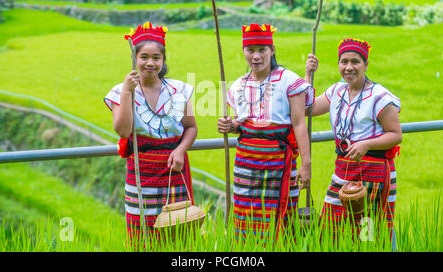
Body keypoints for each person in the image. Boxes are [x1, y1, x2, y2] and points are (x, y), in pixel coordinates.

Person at [217, 24, 314, 240]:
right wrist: (229, 126)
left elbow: (299, 124)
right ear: (243, 51)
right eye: (251, 50)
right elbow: (242, 124)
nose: (256, 56)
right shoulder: (238, 86)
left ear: (272, 50)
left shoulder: (290, 81)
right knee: (245, 216)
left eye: (262, 49)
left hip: (279, 161)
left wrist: (306, 165)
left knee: (281, 219)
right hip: (246, 163)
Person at [104, 22, 198, 245]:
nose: (150, 63)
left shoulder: (178, 90)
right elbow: (123, 130)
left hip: (174, 169)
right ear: (134, 58)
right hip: (141, 172)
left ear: (163, 60)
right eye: (144, 57)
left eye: (156, 57)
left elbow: (191, 127)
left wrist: (180, 150)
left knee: (177, 233)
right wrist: (128, 91)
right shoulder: (120, 91)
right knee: (142, 235)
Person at [305, 38, 402, 243]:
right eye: (344, 61)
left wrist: (367, 144)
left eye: (355, 62)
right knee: (330, 228)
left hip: (374, 173)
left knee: (368, 235)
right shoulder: (336, 91)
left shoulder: (379, 97)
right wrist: (308, 74)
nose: (349, 67)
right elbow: (307, 109)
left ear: (366, 64)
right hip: (343, 168)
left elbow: (395, 134)